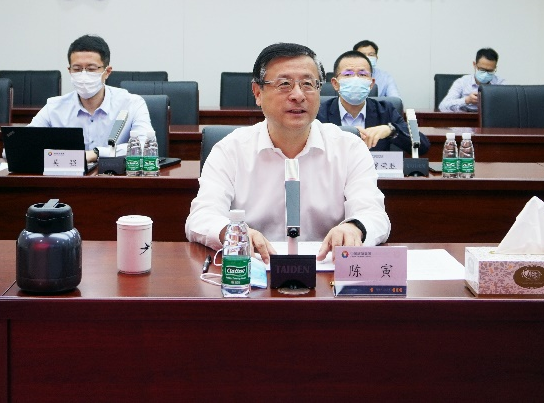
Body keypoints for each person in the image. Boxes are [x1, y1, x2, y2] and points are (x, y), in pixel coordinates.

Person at [185, 42, 390, 262]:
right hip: (251, 271)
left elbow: (374, 214)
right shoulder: (230, 150)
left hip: (326, 273)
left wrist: (354, 228)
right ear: (257, 92)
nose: (298, 95)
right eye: (284, 84)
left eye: (308, 84)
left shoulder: (349, 148)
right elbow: (201, 216)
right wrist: (232, 233)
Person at [29, 34, 154, 161]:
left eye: (91, 69)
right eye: (77, 69)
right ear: (69, 71)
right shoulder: (54, 107)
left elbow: (145, 146)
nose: (83, 75)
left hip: (115, 173)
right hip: (67, 173)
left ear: (107, 72)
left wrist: (96, 153)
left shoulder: (132, 103)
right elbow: (26, 143)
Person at [317, 50, 430, 155]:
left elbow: (423, 146)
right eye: (348, 74)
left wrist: (391, 130)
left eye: (362, 74)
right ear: (335, 84)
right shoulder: (319, 112)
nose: (355, 79)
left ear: (371, 84)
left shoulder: (385, 111)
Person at [438, 47, 505, 112]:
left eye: (490, 71)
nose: (486, 74)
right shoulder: (462, 82)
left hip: (491, 118)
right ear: (474, 65)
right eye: (482, 69)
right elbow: (443, 106)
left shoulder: (500, 83)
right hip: (465, 118)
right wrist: (466, 100)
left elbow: (506, 108)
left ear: (495, 68)